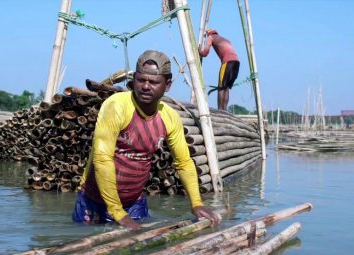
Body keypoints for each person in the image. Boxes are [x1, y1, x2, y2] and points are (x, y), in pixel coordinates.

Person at [72, 50, 221, 230]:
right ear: (134, 80)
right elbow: (102, 159)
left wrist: (196, 203)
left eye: (153, 82)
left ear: (167, 85)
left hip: (134, 202)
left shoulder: (169, 117)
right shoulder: (116, 105)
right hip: (94, 200)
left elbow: (183, 162)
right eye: (141, 80)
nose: (146, 86)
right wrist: (118, 213)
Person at [199, 29, 240, 111]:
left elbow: (205, 53)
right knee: (226, 88)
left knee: (221, 87)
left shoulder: (211, 37)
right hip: (236, 63)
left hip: (227, 62)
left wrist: (199, 50)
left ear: (208, 34)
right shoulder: (225, 40)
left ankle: (220, 110)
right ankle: (224, 110)